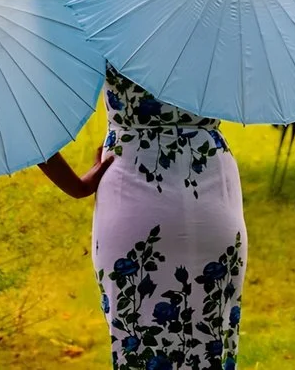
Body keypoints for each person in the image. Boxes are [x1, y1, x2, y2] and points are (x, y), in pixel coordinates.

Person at [36, 69, 242, 370]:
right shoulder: (223, 22)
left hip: (131, 183)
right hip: (210, 184)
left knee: (136, 341)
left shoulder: (101, 21)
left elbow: (26, 118)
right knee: (209, 338)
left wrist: (75, 185)